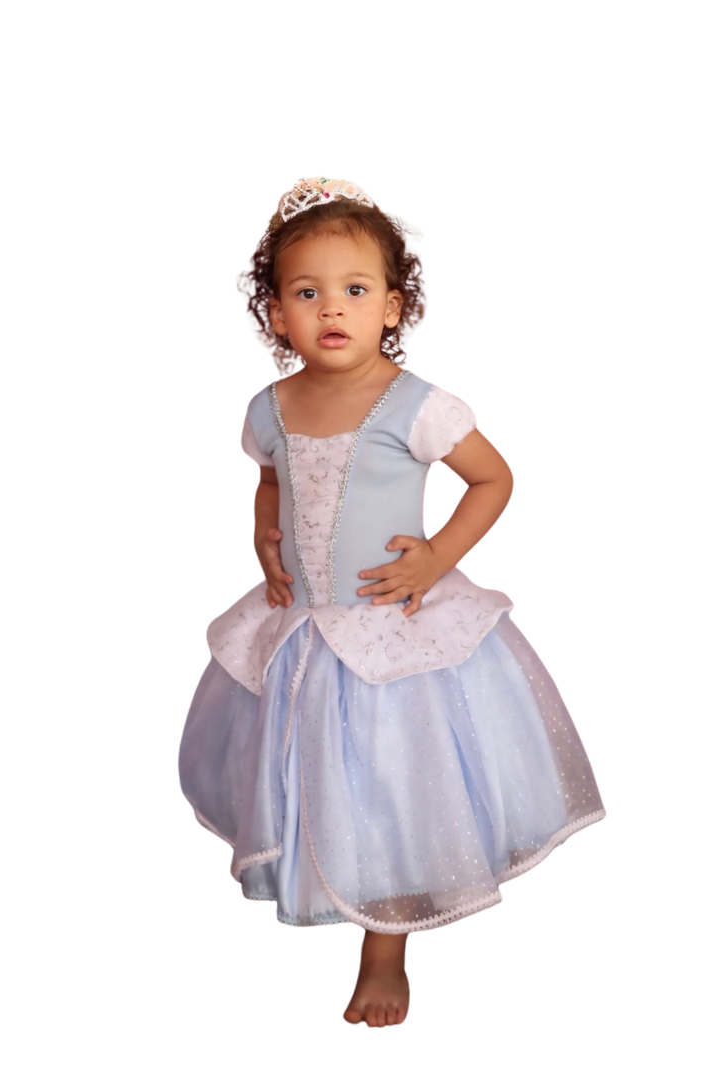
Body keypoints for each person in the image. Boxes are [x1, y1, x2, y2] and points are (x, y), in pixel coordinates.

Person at [178, 177, 606, 1028]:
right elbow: (271, 480)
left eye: (354, 288)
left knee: (390, 778)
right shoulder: (270, 408)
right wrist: (264, 534)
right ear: (276, 315)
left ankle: (385, 946)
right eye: (307, 293)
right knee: (312, 769)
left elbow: (493, 479)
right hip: (302, 629)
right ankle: (328, 874)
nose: (331, 308)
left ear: (391, 306)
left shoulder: (415, 405)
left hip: (392, 632)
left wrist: (437, 557)